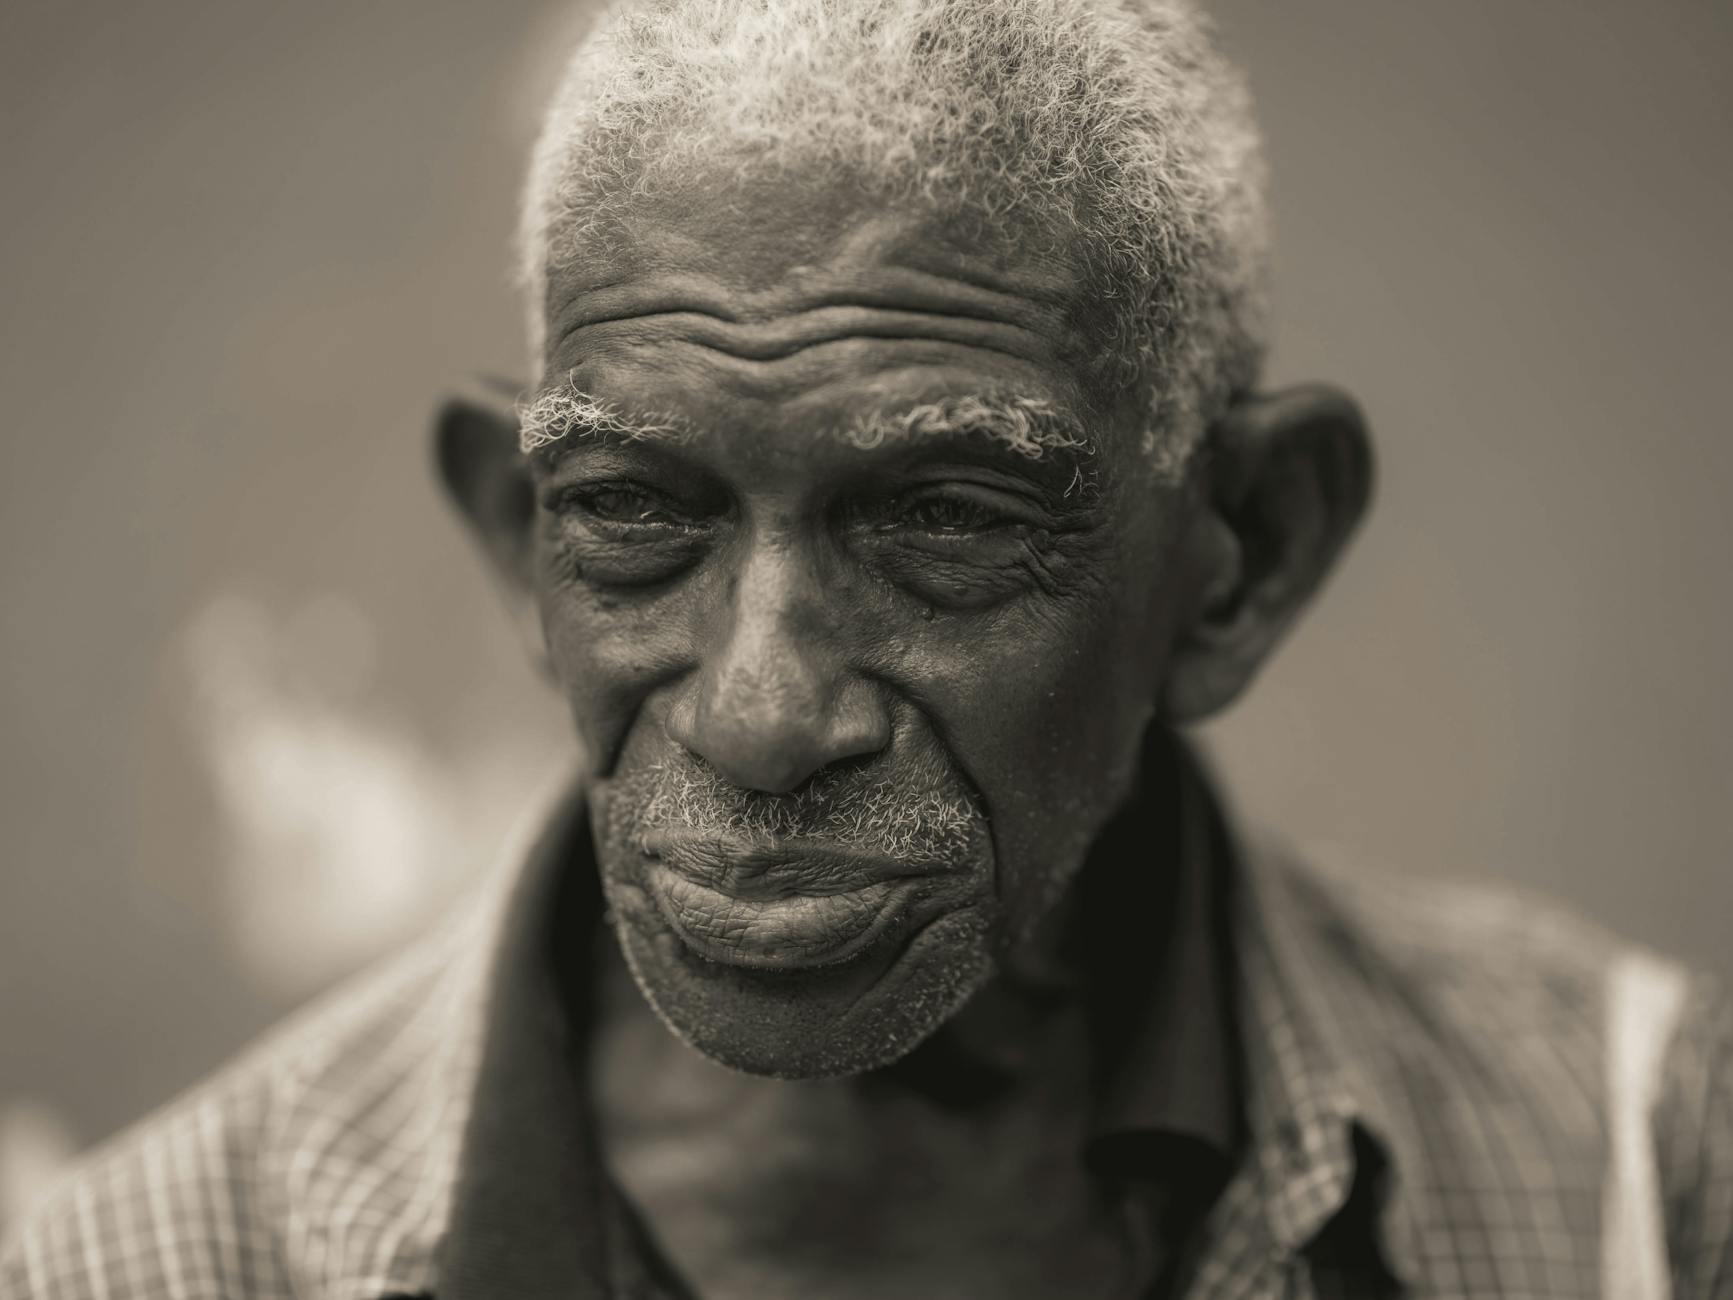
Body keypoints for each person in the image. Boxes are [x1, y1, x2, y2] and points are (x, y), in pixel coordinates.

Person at [4, 1, 1729, 1296]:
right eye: (632, 512)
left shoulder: (1639, 1179)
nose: (760, 715)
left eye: (947, 521)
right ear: (517, 542)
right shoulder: (145, 1267)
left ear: (1239, 559)